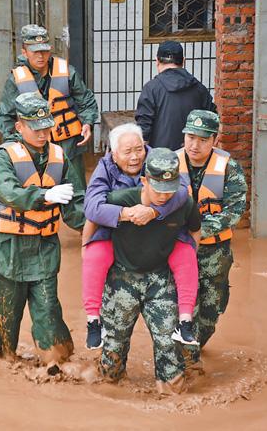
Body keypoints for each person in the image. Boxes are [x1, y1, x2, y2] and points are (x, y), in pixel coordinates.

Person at [0, 92, 85, 375]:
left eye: (46, 127)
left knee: (48, 307)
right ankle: (5, 363)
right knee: (6, 314)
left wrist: (97, 227)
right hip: (8, 248)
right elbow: (7, 191)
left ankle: (56, 361)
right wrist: (45, 195)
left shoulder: (59, 156)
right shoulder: (6, 157)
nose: (43, 133)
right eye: (35, 127)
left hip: (44, 247)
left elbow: (76, 203)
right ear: (19, 127)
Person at [82, 123, 200, 350]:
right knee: (95, 255)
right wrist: (126, 213)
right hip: (119, 236)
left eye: (139, 149)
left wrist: (154, 211)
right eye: (128, 152)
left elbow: (182, 192)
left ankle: (185, 323)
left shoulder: (158, 162)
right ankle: (93, 321)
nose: (136, 157)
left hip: (160, 239)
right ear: (113, 154)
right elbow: (92, 210)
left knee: (185, 254)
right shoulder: (105, 171)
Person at [98, 148, 201, 394]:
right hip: (122, 278)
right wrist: (87, 250)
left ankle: (170, 392)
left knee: (169, 342)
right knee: (114, 344)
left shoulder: (183, 203)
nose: (165, 196)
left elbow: (195, 231)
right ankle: (111, 387)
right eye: (158, 189)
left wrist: (187, 258)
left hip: (160, 277)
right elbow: (93, 218)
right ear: (144, 181)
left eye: (170, 189)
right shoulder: (120, 199)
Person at [176, 109, 247, 367]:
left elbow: (235, 210)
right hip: (179, 251)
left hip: (215, 254)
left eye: (203, 139)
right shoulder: (169, 164)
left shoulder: (230, 168)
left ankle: (195, 345)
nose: (195, 145)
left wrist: (198, 229)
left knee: (210, 312)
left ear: (215, 140)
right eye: (190, 137)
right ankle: (187, 364)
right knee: (185, 310)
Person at [0, 24, 98, 188]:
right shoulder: (16, 80)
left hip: (68, 145)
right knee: (39, 192)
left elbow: (86, 100)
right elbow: (5, 116)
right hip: (34, 148)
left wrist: (88, 123)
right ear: (24, 52)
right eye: (35, 51)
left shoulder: (67, 72)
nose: (41, 56)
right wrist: (14, 144)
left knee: (76, 192)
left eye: (44, 50)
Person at [135, 40, 216, 151]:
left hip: (161, 161)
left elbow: (143, 133)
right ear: (183, 61)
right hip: (192, 159)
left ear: (157, 61)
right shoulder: (199, 88)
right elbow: (213, 124)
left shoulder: (151, 89)